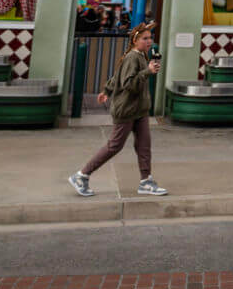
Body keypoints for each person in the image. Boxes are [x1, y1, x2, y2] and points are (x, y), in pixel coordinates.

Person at [69, 21, 166, 197]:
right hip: (127, 110)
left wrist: (107, 90)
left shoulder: (140, 55)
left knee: (144, 146)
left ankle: (146, 181)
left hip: (140, 110)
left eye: (150, 38)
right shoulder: (133, 57)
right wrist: (148, 72)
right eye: (145, 38)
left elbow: (117, 76)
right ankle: (81, 175)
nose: (149, 41)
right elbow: (128, 84)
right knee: (114, 145)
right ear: (135, 41)